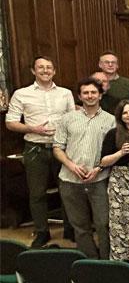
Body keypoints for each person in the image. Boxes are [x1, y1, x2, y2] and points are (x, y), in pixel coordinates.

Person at [5, 56, 76, 247]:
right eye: (41, 67)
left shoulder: (65, 93)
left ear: (54, 71)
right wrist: (32, 129)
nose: (45, 70)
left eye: (49, 67)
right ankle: (42, 232)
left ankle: (70, 228)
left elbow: (73, 119)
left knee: (67, 190)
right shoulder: (21, 94)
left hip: (62, 148)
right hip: (35, 148)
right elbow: (10, 122)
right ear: (33, 71)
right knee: (37, 194)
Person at [53, 78, 116, 258]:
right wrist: (71, 166)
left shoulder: (111, 120)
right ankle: (90, 262)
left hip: (99, 180)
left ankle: (106, 261)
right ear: (79, 96)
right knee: (80, 226)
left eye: (93, 92)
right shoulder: (67, 119)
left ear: (100, 95)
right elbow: (57, 147)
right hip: (70, 180)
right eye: (85, 93)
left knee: (103, 223)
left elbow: (113, 151)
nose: (90, 96)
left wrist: (98, 169)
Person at [99, 100, 129, 262]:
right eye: (125, 113)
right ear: (120, 117)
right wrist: (120, 153)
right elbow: (103, 161)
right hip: (120, 181)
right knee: (121, 220)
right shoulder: (113, 134)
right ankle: (123, 259)